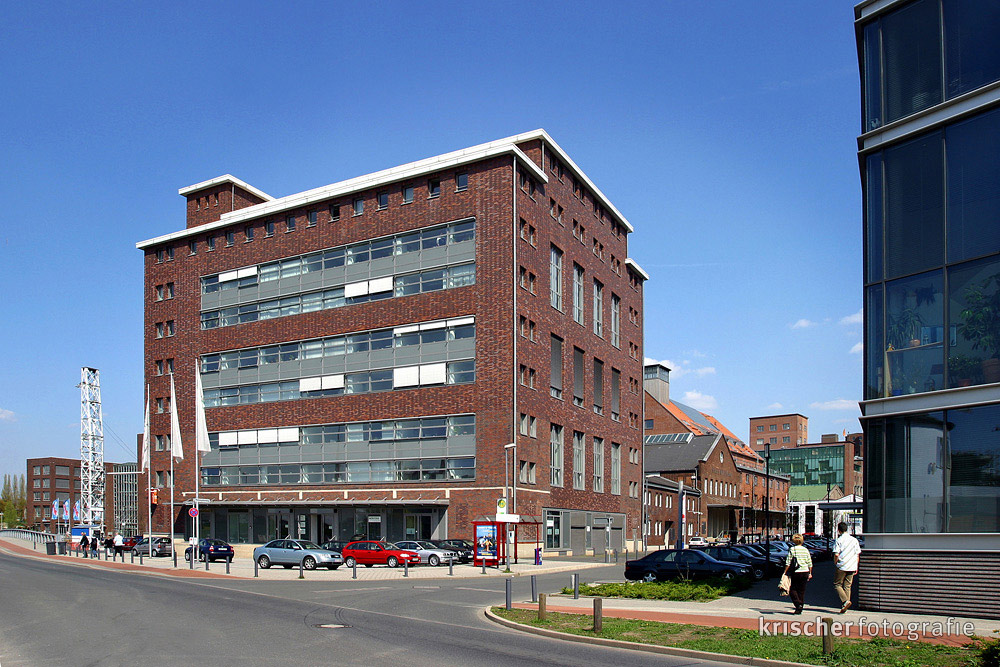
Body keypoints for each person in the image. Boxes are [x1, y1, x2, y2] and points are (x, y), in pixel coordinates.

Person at [832, 522, 861, 613]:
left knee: (837, 584)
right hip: (852, 565)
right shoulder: (854, 540)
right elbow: (857, 554)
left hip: (842, 565)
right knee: (847, 586)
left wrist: (835, 562)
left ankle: (845, 601)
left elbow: (836, 554)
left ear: (839, 530)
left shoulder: (839, 540)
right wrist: (856, 566)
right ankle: (845, 605)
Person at [782, 533, 813, 614]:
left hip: (796, 572)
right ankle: (800, 606)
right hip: (805, 571)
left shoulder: (792, 549)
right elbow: (810, 562)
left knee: (792, 589)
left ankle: (798, 604)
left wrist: (785, 572)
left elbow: (788, 562)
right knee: (801, 590)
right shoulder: (805, 550)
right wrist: (810, 573)